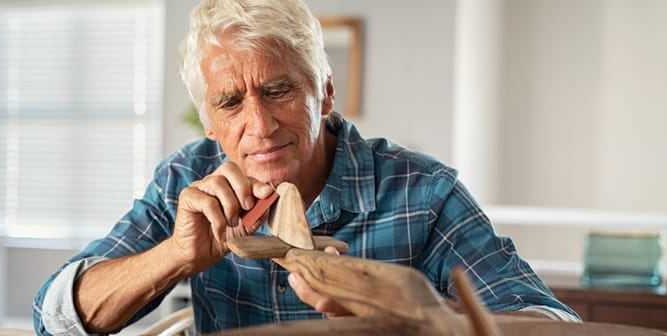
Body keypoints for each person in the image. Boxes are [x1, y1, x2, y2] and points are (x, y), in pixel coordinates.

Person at [33, 0, 579, 334]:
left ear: (325, 93)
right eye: (230, 104)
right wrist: (175, 256)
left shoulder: (422, 192)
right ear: (209, 122)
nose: (261, 125)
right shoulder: (186, 180)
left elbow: (556, 327)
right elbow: (54, 317)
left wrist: (411, 312)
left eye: (279, 90)